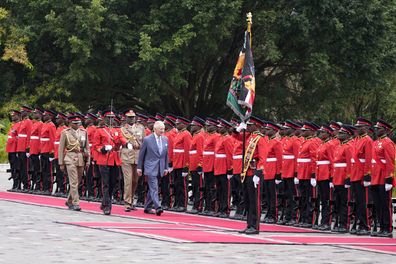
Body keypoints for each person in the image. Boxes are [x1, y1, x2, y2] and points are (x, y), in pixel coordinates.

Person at [137, 120, 169, 216]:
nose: (162, 131)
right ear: (155, 129)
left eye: (163, 129)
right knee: (154, 187)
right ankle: (157, 206)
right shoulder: (147, 139)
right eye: (160, 129)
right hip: (150, 167)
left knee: (153, 188)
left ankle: (147, 207)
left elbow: (166, 155)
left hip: (160, 166)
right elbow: (141, 155)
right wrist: (139, 167)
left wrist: (166, 167)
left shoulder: (165, 139)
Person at [58, 115, 90, 211]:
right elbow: (61, 149)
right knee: (74, 182)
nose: (77, 125)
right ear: (70, 123)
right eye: (75, 123)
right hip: (70, 158)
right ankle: (76, 203)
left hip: (80, 158)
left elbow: (87, 147)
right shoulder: (65, 133)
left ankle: (69, 200)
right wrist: (61, 163)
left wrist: (88, 160)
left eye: (78, 123)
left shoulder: (84, 132)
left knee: (78, 182)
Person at [370, 119, 394, 238]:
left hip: (384, 177)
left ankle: (387, 228)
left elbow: (390, 161)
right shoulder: (375, 142)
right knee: (378, 204)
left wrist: (389, 179)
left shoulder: (388, 142)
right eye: (375, 128)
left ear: (385, 130)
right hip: (375, 177)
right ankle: (381, 227)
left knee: (385, 204)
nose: (376, 130)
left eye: (378, 128)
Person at [120, 109, 145, 212]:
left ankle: (131, 201)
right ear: (126, 118)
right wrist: (128, 143)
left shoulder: (141, 128)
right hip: (127, 156)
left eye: (133, 117)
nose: (132, 119)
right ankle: (127, 203)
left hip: (138, 156)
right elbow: (122, 139)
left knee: (135, 180)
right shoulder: (122, 129)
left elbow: (143, 141)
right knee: (128, 180)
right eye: (129, 117)